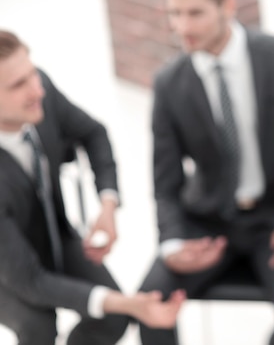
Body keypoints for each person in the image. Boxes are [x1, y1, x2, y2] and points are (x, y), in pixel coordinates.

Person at [137, 0, 274, 344]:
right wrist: (173, 242)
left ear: (228, 4)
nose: (181, 26)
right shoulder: (169, 83)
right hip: (207, 223)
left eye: (194, 13)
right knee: (149, 304)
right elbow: (165, 182)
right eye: (174, 13)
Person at [0, 29, 185, 345]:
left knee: (112, 318)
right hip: (6, 267)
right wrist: (129, 302)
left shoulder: (37, 95)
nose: (37, 90)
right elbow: (28, 279)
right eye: (19, 84)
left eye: (32, 74)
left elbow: (94, 133)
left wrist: (107, 205)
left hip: (52, 235)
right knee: (39, 327)